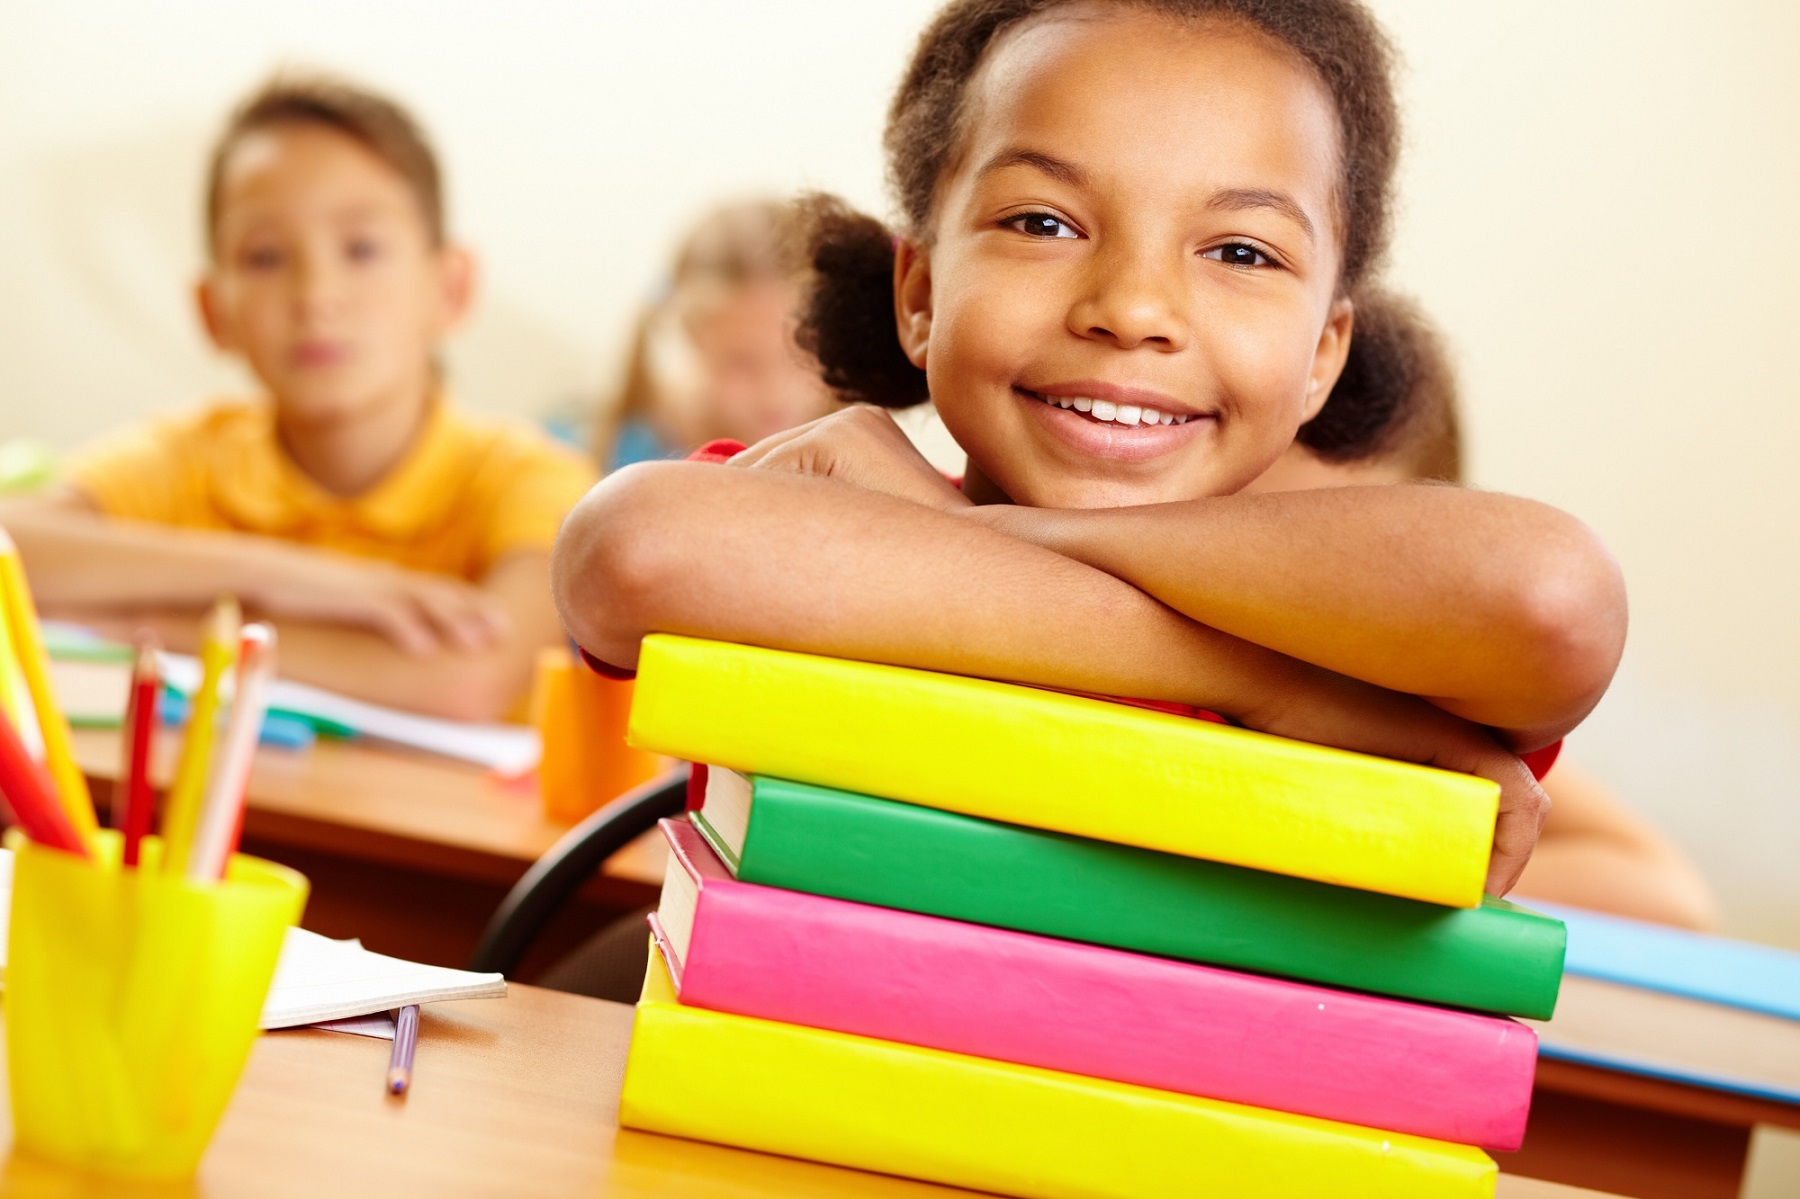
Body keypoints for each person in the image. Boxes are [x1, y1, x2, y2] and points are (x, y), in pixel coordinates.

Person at [554, 0, 1630, 899]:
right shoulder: (808, 500)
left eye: (1242, 250)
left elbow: (1556, 600)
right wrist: (1278, 690)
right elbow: (629, 551)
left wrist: (965, 535)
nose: (1132, 308)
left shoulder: (1380, 634)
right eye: (1044, 223)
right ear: (921, 293)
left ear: (1322, 354)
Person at [0, 74, 595, 721]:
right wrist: (289, 578)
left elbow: (468, 680)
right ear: (212, 310)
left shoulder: (534, 480)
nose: (315, 295)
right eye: (264, 257)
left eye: (362, 248)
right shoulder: (191, 459)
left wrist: (145, 623)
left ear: (449, 288)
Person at [1251, 290, 1716, 928]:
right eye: (1238, 559)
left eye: (1353, 589)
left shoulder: (1414, 711)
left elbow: (1666, 896)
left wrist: (1400, 865)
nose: (1285, 626)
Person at [595, 199, 840, 472]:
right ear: (692, 336)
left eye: (802, 353)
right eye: (741, 361)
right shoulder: (619, 461)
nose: (774, 392)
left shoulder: (854, 456)